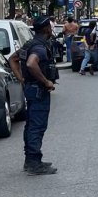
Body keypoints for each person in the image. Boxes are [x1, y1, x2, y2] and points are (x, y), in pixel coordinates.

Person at [10, 15, 60, 175]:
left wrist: (22, 79)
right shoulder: (39, 47)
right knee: (37, 126)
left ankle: (31, 160)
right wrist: (46, 82)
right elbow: (32, 63)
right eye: (50, 27)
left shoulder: (30, 43)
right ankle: (34, 163)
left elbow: (13, 59)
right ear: (46, 29)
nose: (51, 29)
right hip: (39, 90)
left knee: (31, 124)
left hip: (31, 88)